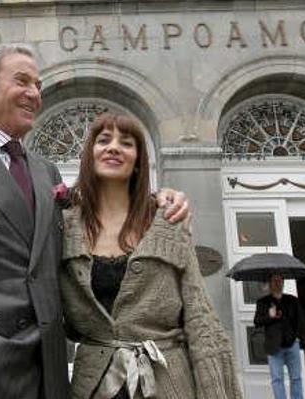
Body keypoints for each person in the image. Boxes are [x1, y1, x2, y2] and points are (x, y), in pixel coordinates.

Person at [0, 44, 189, 399]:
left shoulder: (45, 171)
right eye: (22, 81)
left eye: (38, 85)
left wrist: (156, 201)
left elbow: (98, 213)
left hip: (48, 367)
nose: (35, 93)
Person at [60, 112, 242, 399]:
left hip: (168, 380)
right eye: (104, 140)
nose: (114, 147)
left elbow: (200, 318)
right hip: (92, 384)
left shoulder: (166, 220)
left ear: (137, 162)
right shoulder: (64, 225)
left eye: (127, 143)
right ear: (89, 154)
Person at [254, 274, 305, 399]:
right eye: (274, 281)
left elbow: (301, 321)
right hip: (274, 347)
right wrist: (270, 317)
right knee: (277, 379)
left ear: (283, 282)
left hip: (292, 344)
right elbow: (257, 322)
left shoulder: (292, 300)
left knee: (296, 378)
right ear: (270, 283)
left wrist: (297, 337)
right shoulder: (263, 302)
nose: (278, 283)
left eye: (280, 280)